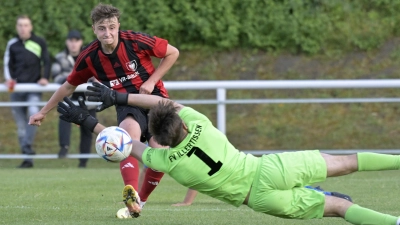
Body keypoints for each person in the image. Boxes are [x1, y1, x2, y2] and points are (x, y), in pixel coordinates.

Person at [56, 83, 397, 225]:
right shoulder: (198, 121)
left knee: (337, 207)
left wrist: (88, 123)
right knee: (347, 162)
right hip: (272, 168)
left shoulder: (166, 161)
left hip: (259, 198)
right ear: (180, 122)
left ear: (160, 138)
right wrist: (119, 97)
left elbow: (126, 146)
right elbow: (165, 103)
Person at [28, 3, 192, 211]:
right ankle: (130, 194)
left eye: (112, 27)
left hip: (155, 99)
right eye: (102, 28)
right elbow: (68, 86)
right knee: (125, 137)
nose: (108, 33)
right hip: (124, 102)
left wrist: (151, 81)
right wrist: (43, 111)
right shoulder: (89, 56)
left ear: (118, 26)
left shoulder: (135, 41)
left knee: (160, 151)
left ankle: (141, 199)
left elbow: (173, 52)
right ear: (94, 29)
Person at [3, 15, 51, 168]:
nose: (23, 28)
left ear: (30, 27)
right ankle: (27, 157)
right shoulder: (13, 45)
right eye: (20, 25)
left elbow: (47, 61)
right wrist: (9, 80)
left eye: (26, 25)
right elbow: (8, 65)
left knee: (33, 113)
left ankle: (27, 148)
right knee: (21, 127)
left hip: (33, 90)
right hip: (17, 90)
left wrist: (44, 77)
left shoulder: (39, 42)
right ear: (17, 27)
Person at [51, 30, 97, 167]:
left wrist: (72, 81)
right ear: (67, 42)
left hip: (88, 100)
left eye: (76, 40)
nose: (73, 44)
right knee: (64, 122)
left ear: (81, 42)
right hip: (68, 98)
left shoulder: (88, 56)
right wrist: (77, 80)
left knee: (88, 129)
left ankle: (83, 161)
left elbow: (96, 76)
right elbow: (56, 76)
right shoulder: (60, 57)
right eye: (71, 40)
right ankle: (64, 148)